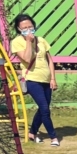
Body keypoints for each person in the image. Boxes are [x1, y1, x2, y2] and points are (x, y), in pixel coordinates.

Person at [9, 13, 59, 146]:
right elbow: (26, 59)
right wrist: (28, 42)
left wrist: (53, 78)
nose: (28, 29)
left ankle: (32, 132)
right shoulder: (16, 42)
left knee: (44, 108)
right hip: (31, 79)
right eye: (24, 27)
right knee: (44, 108)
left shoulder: (41, 40)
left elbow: (50, 60)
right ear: (19, 29)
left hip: (46, 79)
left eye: (30, 26)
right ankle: (53, 137)